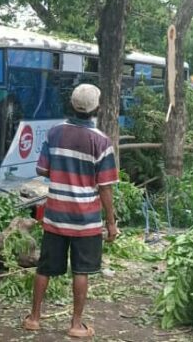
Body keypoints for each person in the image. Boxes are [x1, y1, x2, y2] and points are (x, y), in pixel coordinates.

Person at [22, 84, 119, 338]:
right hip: (86, 220)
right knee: (81, 270)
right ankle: (76, 325)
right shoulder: (102, 141)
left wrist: (63, 170)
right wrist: (111, 223)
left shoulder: (54, 133)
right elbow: (106, 188)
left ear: (72, 105)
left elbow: (41, 170)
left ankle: (33, 318)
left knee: (44, 268)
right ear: (96, 108)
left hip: (55, 215)